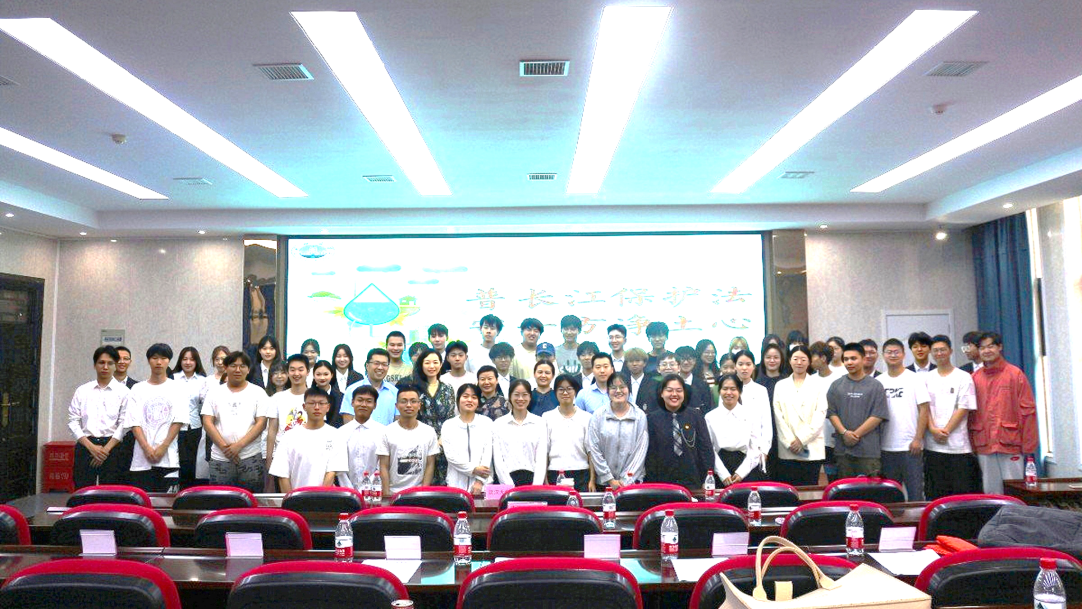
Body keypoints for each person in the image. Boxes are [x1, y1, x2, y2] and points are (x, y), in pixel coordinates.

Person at [969, 331, 1038, 495]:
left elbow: (1028, 411)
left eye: (990, 346)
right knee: (991, 493)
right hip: (984, 444)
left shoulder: (1015, 374)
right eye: (982, 348)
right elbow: (969, 414)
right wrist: (972, 443)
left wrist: (1028, 445)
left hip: (1011, 443)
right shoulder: (974, 378)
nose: (986, 351)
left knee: (1014, 491)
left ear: (1000, 347)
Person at [201, 351, 269, 493]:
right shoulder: (214, 393)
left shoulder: (258, 392)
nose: (238, 370)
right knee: (220, 500)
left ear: (248, 369)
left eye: (242, 366)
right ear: (226, 368)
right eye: (233, 365)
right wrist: (225, 449)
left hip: (250, 457)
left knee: (251, 500)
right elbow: (207, 421)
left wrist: (238, 446)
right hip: (220, 458)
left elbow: (261, 423)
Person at [923, 335, 982, 499]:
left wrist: (946, 431)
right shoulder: (927, 378)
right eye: (935, 350)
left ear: (950, 351)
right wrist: (933, 429)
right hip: (933, 446)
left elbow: (964, 408)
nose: (939, 353)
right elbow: (924, 408)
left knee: (960, 495)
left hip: (958, 447)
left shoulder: (964, 377)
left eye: (942, 350)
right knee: (935, 495)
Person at [125, 343, 188, 493]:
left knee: (167, 503)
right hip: (141, 460)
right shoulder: (137, 389)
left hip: (168, 459)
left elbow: (179, 420)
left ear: (169, 361)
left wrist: (163, 447)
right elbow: (134, 422)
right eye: (154, 358)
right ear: (148, 360)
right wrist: (146, 448)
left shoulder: (178, 388)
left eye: (163, 358)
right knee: (142, 501)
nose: (159, 362)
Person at [69, 346, 130, 489]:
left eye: (110, 363)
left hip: (112, 447)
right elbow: (73, 421)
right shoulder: (82, 390)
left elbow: (124, 424)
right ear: (94, 365)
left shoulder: (124, 392)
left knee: (111, 493)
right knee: (82, 492)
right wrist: (91, 448)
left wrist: (105, 450)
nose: (105, 367)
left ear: (115, 365)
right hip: (85, 445)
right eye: (101, 362)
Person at [826, 343, 890, 478]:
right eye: (846, 359)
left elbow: (877, 415)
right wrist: (844, 433)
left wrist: (855, 435)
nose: (849, 362)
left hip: (868, 451)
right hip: (843, 451)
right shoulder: (836, 385)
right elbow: (831, 413)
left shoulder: (876, 385)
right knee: (845, 489)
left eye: (853, 358)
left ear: (863, 359)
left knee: (869, 489)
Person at [878, 338, 930, 500]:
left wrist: (918, 439)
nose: (893, 355)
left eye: (896, 352)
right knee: (890, 497)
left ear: (903, 354)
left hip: (910, 447)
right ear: (883, 355)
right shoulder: (879, 382)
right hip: (886, 448)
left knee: (915, 494)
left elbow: (924, 410)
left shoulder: (914, 378)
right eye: (889, 352)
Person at [268, 387, 346, 492]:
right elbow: (282, 475)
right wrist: (291, 499)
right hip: (295, 497)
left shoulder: (336, 435)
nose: (317, 407)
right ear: (304, 407)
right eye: (312, 403)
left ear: (328, 407)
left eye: (321, 403)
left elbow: (331, 473)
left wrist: (321, 497)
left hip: (325, 498)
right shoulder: (289, 436)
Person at [645, 374, 714, 489]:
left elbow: (706, 449)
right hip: (662, 482)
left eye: (679, 390)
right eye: (669, 390)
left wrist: (707, 478)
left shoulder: (696, 416)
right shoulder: (652, 419)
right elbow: (650, 456)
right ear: (662, 393)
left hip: (693, 481)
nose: (674, 394)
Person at [772, 346, 826, 486]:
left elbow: (820, 414)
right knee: (789, 490)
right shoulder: (780, 385)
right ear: (790, 360)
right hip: (788, 447)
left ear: (809, 362)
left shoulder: (818, 384)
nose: (799, 362)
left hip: (811, 446)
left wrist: (802, 440)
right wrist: (791, 441)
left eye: (803, 359)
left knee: (810, 490)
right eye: (795, 359)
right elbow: (778, 417)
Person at [586, 374, 647, 489]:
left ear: (629, 389)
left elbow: (640, 451)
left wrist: (626, 480)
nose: (618, 391)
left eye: (622, 387)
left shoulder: (639, 416)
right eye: (613, 387)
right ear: (608, 391)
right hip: (604, 483)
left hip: (632, 482)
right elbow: (594, 448)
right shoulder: (598, 415)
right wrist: (609, 479)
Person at [377, 384, 440, 495]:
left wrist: (423, 493)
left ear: (419, 405)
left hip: (418, 494)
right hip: (393, 492)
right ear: (396, 406)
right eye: (404, 401)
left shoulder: (429, 432)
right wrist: (386, 494)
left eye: (413, 401)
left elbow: (430, 465)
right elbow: (383, 466)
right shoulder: (386, 432)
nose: (409, 405)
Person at [411, 348, 456, 486]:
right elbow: (412, 417)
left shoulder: (448, 388)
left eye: (435, 362)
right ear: (421, 365)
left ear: (441, 364)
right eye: (427, 362)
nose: (432, 366)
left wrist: (441, 440)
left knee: (444, 483)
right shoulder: (414, 389)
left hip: (445, 441)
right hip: (420, 440)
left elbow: (450, 417)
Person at [542, 374, 594, 492]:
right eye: (561, 389)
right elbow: (544, 452)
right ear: (555, 392)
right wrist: (545, 480)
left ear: (575, 391)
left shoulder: (586, 418)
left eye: (569, 389)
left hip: (582, 474)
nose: (565, 393)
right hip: (555, 473)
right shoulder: (547, 417)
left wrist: (592, 480)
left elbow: (591, 452)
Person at [705, 374, 760, 486]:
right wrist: (723, 474)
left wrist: (741, 473)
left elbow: (755, 447)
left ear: (739, 391)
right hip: (719, 466)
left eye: (733, 389)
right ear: (719, 391)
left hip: (746, 466)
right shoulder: (710, 417)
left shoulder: (751, 415)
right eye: (725, 389)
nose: (729, 392)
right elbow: (709, 449)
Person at [494, 379, 548, 486]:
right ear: (510, 397)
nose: (520, 399)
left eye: (524, 395)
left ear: (530, 397)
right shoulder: (499, 424)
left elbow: (541, 459)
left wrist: (535, 487)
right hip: (506, 480)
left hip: (533, 480)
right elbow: (498, 460)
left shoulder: (539, 423)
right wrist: (509, 487)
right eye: (516, 395)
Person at [441, 383, 494, 494]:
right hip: (455, 485)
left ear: (478, 401)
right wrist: (473, 469)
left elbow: (488, 453)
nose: (469, 400)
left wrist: (480, 481)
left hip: (481, 486)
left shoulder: (487, 423)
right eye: (465, 396)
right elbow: (451, 456)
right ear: (458, 400)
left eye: (474, 397)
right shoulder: (448, 425)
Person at [265, 354, 310, 476]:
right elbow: (272, 430)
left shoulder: (314, 397)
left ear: (308, 372)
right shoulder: (277, 398)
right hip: (282, 456)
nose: (296, 374)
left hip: (308, 456)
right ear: (288, 372)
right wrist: (269, 458)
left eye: (300, 370)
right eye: (292, 370)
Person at [336, 386, 383, 492]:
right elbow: (339, 467)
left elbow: (382, 465)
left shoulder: (382, 432)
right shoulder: (341, 432)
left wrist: (367, 488)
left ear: (375, 405)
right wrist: (350, 491)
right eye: (360, 400)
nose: (363, 405)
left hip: (374, 492)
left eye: (369, 401)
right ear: (352, 402)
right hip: (346, 492)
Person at [171, 346, 206, 489]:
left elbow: (205, 403)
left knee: (192, 463)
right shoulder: (172, 378)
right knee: (178, 462)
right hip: (175, 427)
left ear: (196, 362)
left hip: (194, 427)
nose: (188, 362)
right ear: (180, 361)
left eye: (191, 359)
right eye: (184, 359)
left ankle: (191, 493)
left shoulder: (203, 380)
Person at [734, 349, 772, 479]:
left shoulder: (761, 390)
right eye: (740, 364)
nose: (744, 368)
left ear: (753, 366)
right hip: (734, 448)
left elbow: (766, 423)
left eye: (748, 364)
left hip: (756, 449)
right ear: (735, 366)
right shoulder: (728, 389)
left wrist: (765, 449)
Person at [342, 348, 398, 425]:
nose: (380, 367)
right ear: (367, 365)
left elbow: (397, 422)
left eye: (384, 364)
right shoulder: (352, 390)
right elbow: (348, 422)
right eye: (376, 363)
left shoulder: (395, 392)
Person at [810, 341, 841, 480]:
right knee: (812, 478)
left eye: (812, 356)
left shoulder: (839, 380)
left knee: (833, 477)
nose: (810, 360)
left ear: (823, 358)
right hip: (813, 439)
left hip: (832, 437)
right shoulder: (809, 380)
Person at [112, 345, 139, 483]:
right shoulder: (103, 385)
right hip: (106, 440)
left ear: (130, 362)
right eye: (118, 358)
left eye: (126, 359)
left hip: (129, 441)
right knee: (109, 483)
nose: (122, 362)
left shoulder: (137, 387)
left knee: (128, 482)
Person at [676, 346, 713, 412]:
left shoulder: (703, 386)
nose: (686, 362)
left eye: (689, 359)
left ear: (695, 361)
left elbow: (708, 408)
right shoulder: (669, 383)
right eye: (682, 359)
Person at [311, 360, 344, 427]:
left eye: (326, 374)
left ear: (332, 375)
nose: (322, 378)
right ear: (313, 375)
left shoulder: (341, 397)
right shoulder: (308, 396)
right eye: (318, 374)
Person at [694, 339, 720, 403]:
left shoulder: (718, 372)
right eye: (707, 352)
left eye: (713, 352)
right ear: (699, 353)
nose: (710, 355)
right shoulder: (694, 373)